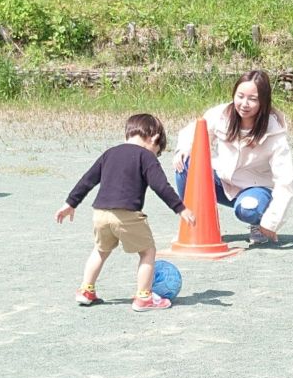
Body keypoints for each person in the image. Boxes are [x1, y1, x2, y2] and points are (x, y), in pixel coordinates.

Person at [55, 113, 196, 311]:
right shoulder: (145, 156)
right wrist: (180, 208)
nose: (155, 155)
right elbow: (161, 186)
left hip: (100, 214)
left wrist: (70, 203)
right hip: (127, 215)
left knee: (100, 250)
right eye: (157, 151)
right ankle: (144, 297)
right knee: (147, 251)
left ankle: (86, 290)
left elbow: (87, 180)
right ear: (155, 139)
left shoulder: (109, 153)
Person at [173, 69, 293, 245]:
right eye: (240, 96)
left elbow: (286, 182)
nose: (244, 104)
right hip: (222, 181)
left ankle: (257, 223)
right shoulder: (221, 114)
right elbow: (194, 131)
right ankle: (193, 224)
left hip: (254, 189)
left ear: (263, 102)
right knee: (185, 164)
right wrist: (184, 148)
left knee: (248, 209)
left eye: (252, 99)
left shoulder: (274, 132)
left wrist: (271, 223)